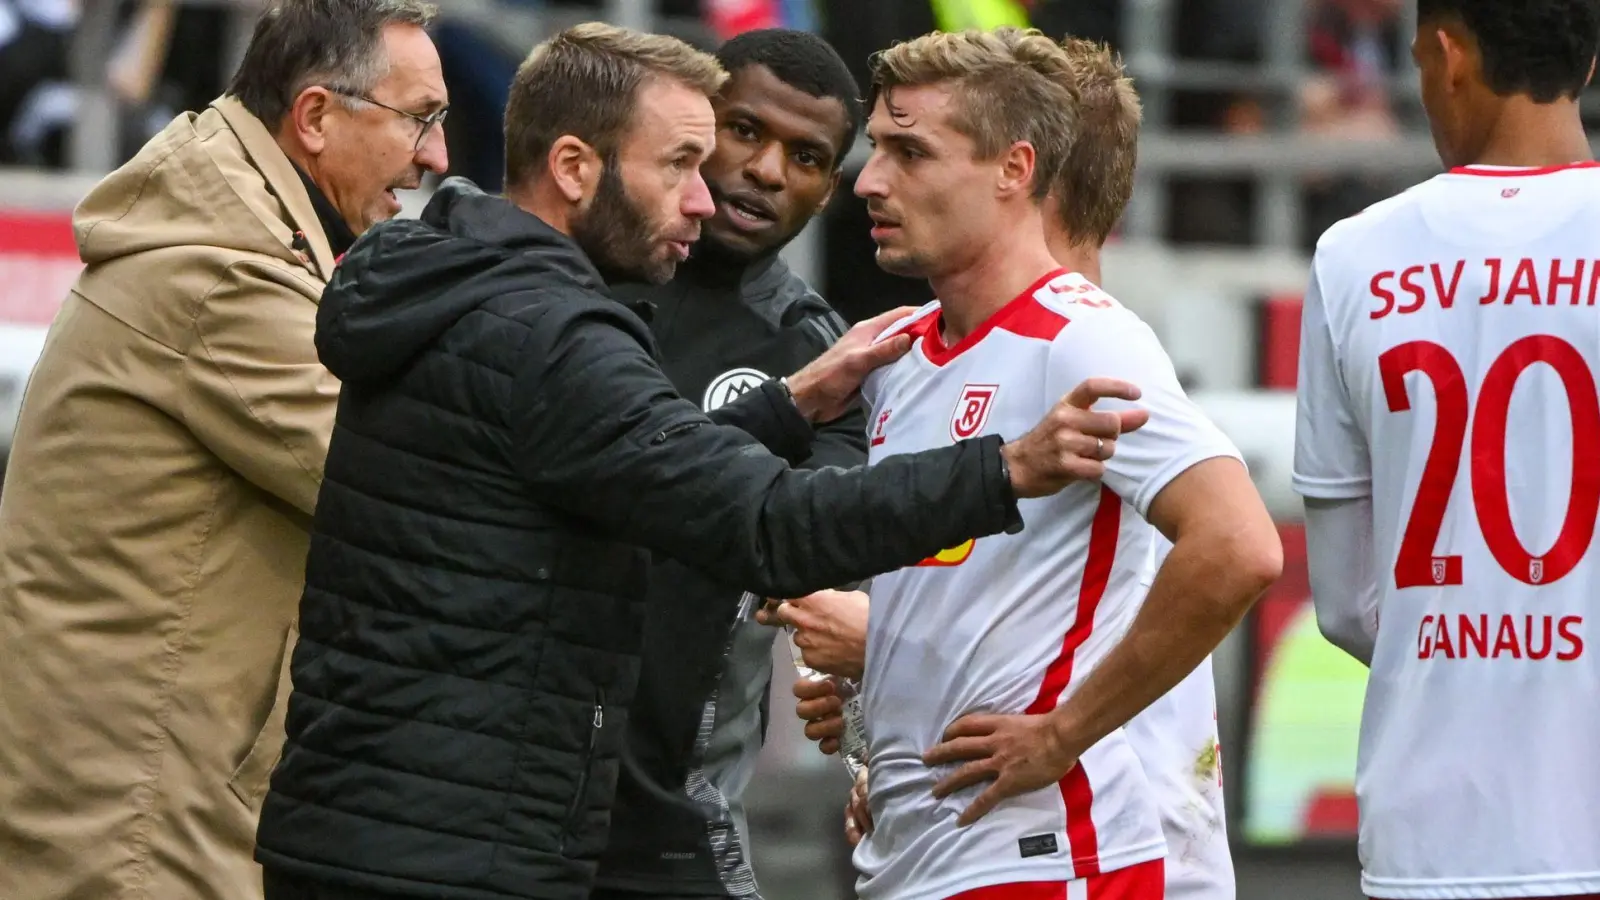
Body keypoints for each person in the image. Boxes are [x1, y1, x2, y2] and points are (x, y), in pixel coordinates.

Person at [251, 23, 1149, 900]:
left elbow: (618, 470)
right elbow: (765, 522)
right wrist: (1005, 469)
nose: (709, 193)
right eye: (686, 161)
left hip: (374, 819)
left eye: (809, 156)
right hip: (456, 845)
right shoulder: (554, 335)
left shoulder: (446, 279)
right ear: (574, 168)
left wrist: (785, 407)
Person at [0, 2, 449, 898]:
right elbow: (419, 489)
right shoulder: (220, 276)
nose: (438, 157)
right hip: (137, 835)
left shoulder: (241, 241)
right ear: (315, 117)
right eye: (421, 119)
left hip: (155, 806)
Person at [776, 34, 1239, 900]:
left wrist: (1061, 735)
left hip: (1063, 847)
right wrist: (881, 695)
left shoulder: (1086, 341)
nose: (869, 181)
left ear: (1020, 172)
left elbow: (1236, 547)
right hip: (926, 845)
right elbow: (974, 604)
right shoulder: (900, 354)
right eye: (878, 148)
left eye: (910, 151)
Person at [1293, 1, 1600, 898]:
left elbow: (1348, 604)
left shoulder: (1352, 255)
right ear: (1584, 65)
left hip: (1429, 827)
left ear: (1447, 54)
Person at [595, 29, 869, 900]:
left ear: (829, 191)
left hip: (668, 814)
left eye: (807, 156)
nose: (766, 171)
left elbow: (828, 544)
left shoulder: (815, 358)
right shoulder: (566, 284)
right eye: (745, 131)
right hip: (498, 786)